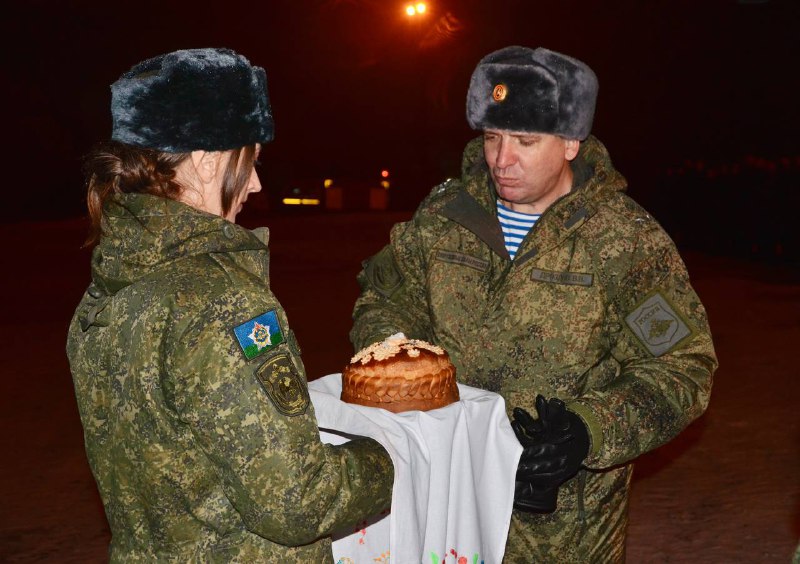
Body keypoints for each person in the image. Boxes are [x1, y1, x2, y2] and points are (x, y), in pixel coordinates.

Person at [350, 45, 717, 562]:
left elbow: (682, 368)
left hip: (564, 531)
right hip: (445, 499)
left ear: (571, 142)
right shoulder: (444, 217)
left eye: (525, 140)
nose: (501, 159)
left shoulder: (624, 242)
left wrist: (588, 431)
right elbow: (387, 297)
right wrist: (400, 362)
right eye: (492, 137)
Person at [67, 47, 394, 561]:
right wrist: (388, 458)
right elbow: (296, 502)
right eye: (250, 162)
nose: (257, 184)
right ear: (205, 160)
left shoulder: (105, 290)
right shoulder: (221, 301)